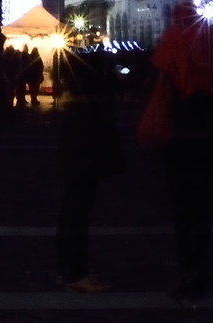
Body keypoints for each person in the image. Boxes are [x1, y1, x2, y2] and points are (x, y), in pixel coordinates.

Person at [143, 0, 213, 304]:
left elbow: (156, 77)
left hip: (177, 136)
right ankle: (202, 270)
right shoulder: (211, 46)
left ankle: (186, 272)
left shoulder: (173, 42)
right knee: (202, 203)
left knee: (181, 207)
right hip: (205, 136)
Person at [52, 40, 122, 292]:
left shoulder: (75, 102)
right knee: (77, 214)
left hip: (75, 162)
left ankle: (66, 270)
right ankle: (76, 273)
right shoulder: (91, 103)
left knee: (71, 211)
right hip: (84, 163)